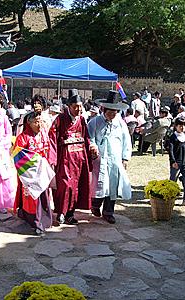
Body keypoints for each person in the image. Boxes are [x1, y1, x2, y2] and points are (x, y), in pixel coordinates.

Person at [48, 88, 94, 225]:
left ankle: (70, 213)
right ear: (69, 107)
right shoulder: (60, 119)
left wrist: (90, 147)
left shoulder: (81, 120)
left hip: (80, 157)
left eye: (80, 107)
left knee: (77, 186)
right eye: (76, 107)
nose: (79, 110)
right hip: (65, 158)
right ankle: (61, 212)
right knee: (65, 185)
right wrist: (53, 158)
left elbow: (86, 137)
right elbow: (52, 138)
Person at [88, 90, 132, 224]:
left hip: (115, 160)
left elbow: (126, 141)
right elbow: (89, 138)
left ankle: (109, 211)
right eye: (110, 112)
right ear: (104, 109)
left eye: (115, 112)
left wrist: (125, 158)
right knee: (100, 184)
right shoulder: (94, 122)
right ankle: (95, 205)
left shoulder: (120, 123)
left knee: (112, 185)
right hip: (99, 160)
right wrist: (92, 146)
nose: (113, 115)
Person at [14, 111, 53, 235]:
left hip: (42, 172)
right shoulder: (23, 137)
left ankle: (44, 220)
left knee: (44, 196)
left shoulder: (44, 134)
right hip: (29, 174)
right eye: (36, 122)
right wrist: (35, 161)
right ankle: (35, 221)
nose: (39, 124)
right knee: (31, 199)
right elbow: (18, 156)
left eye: (40, 121)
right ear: (29, 123)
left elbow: (49, 151)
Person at [169, 117, 185, 206]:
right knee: (172, 181)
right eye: (180, 126)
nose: (182, 127)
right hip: (176, 164)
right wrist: (173, 161)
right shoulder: (173, 137)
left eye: (184, 125)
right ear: (176, 126)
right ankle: (169, 199)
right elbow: (170, 150)